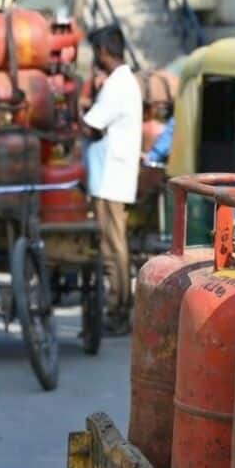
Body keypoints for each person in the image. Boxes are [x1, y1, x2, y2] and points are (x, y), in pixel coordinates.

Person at [81, 25, 143, 334]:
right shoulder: (123, 82)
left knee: (113, 246)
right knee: (115, 244)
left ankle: (118, 309)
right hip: (111, 174)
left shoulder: (117, 85)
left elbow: (92, 125)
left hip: (110, 178)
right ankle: (119, 305)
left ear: (104, 51)